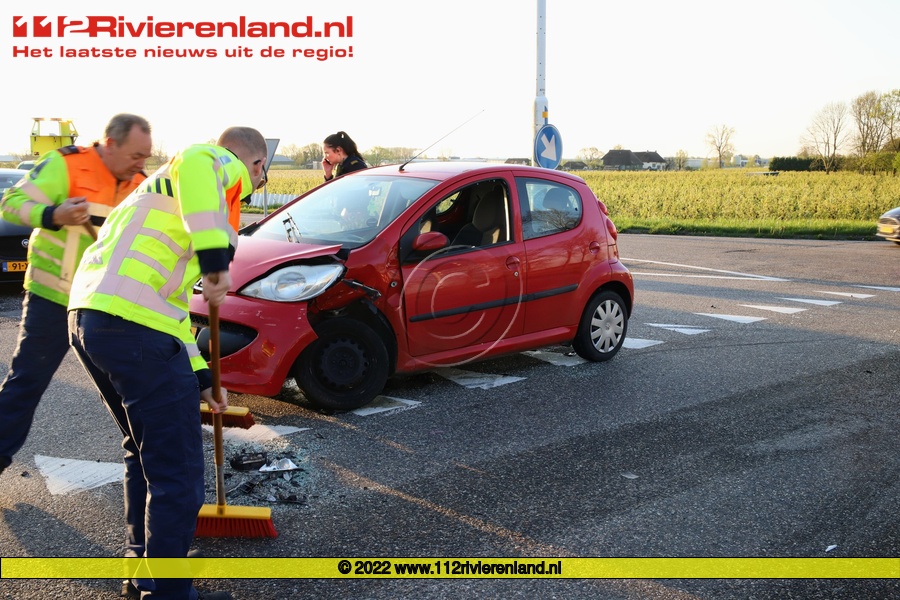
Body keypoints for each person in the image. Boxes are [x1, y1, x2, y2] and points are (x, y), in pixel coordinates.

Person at [67, 126, 267, 600]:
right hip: (135, 328)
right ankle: (168, 593)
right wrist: (216, 260)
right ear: (257, 164)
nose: (254, 184)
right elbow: (201, 162)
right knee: (177, 473)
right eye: (259, 174)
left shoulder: (158, 194)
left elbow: (172, 307)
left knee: (144, 453)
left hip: (93, 319)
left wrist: (202, 376)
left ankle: (143, 573)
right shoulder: (211, 161)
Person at [0, 113, 152, 477]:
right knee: (26, 383)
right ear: (110, 144)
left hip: (103, 305)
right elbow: (10, 204)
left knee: (127, 392)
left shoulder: (140, 184)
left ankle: (148, 467)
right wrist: (53, 214)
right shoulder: (66, 165)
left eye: (145, 157)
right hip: (53, 299)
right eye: (135, 155)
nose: (140, 164)